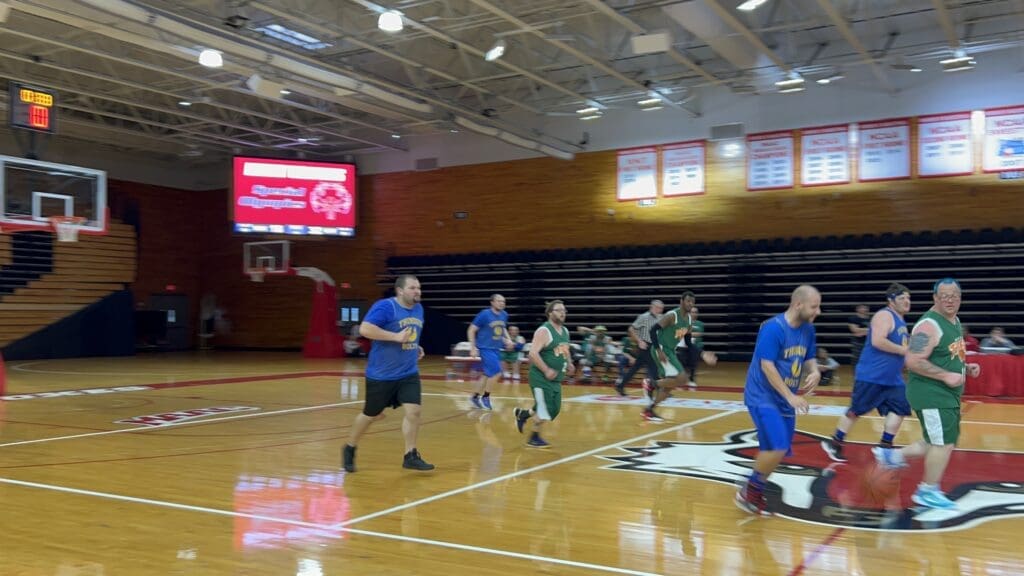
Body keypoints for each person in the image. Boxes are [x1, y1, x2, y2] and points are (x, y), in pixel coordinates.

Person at [873, 278, 981, 510]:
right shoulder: (928, 326)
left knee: (935, 439)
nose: (950, 300)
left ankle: (893, 457)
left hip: (944, 394)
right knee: (943, 442)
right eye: (944, 296)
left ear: (960, 298)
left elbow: (949, 355)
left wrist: (966, 367)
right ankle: (927, 491)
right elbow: (913, 360)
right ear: (935, 298)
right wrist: (945, 376)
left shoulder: (953, 320)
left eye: (954, 295)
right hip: (932, 394)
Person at [736, 285, 822, 516]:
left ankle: (752, 487)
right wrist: (791, 396)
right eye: (815, 306)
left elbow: (809, 357)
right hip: (762, 396)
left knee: (775, 451)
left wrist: (814, 371)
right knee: (778, 446)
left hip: (785, 400)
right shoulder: (773, 329)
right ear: (798, 304)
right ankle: (750, 491)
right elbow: (767, 366)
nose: (819, 311)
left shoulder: (808, 330)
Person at [342, 275, 434, 473]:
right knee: (370, 415)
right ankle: (350, 447)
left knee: (414, 411)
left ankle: (410, 454)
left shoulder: (418, 309)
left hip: (408, 372)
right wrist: (395, 337)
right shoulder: (385, 307)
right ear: (400, 291)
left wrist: (416, 346)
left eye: (419, 287)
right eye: (412, 288)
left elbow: (410, 334)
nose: (417, 291)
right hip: (381, 374)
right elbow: (365, 329)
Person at [821, 283, 911, 463]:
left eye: (908, 298)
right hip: (872, 376)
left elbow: (902, 351)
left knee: (901, 409)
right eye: (902, 298)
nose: (907, 302)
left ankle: (884, 447)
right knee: (856, 411)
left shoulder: (901, 322)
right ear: (891, 301)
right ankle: (835, 443)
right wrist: (903, 351)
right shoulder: (884, 315)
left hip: (893, 379)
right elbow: (878, 341)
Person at [646, 291, 717, 422]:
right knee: (682, 378)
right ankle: (651, 384)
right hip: (660, 349)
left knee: (669, 387)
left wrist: (702, 353)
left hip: (671, 351)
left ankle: (649, 410)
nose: (690, 304)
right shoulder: (672, 315)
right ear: (681, 301)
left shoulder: (689, 320)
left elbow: (689, 343)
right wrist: (658, 350)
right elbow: (653, 330)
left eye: (692, 302)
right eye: (688, 301)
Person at [514, 300, 574, 448]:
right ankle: (534, 437)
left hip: (556, 378)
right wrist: (546, 370)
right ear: (550, 313)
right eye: (559, 310)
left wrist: (570, 362)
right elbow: (533, 354)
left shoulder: (565, 331)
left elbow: (565, 350)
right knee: (545, 407)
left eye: (564, 310)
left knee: (554, 409)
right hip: (540, 377)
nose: (562, 313)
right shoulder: (544, 331)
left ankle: (523, 414)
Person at [468, 294, 511, 409]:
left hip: (496, 348)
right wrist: (473, 348)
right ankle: (486, 396)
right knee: (497, 372)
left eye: (503, 301)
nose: (502, 303)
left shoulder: (504, 314)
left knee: (487, 375)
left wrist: (508, 339)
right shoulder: (484, 314)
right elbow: (471, 330)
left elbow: (503, 328)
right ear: (492, 302)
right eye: (499, 301)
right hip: (485, 348)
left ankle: (474, 396)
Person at [615, 300, 664, 396]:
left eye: (662, 308)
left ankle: (620, 386)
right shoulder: (644, 317)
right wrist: (639, 341)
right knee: (654, 367)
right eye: (660, 308)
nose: (661, 310)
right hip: (645, 346)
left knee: (635, 368)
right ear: (653, 307)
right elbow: (631, 329)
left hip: (653, 346)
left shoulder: (659, 317)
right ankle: (656, 390)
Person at [676, 305, 707, 388]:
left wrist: (686, 333)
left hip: (695, 347)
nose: (694, 314)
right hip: (684, 347)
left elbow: (699, 334)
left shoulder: (700, 324)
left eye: (695, 312)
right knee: (682, 364)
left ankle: (691, 380)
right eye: (692, 312)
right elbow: (678, 333)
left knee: (693, 364)